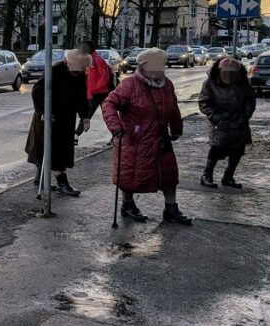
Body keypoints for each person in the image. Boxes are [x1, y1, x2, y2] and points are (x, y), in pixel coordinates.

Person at [101, 47, 191, 224]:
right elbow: (109, 104)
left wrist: (176, 128)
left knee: (169, 174)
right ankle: (128, 205)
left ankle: (171, 208)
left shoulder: (167, 84)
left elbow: (172, 108)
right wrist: (116, 128)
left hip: (161, 137)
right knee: (130, 175)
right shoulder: (130, 84)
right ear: (144, 66)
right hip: (134, 139)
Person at [25, 48, 90, 197]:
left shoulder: (79, 74)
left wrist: (85, 116)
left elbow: (81, 96)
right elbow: (37, 91)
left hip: (66, 118)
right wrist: (43, 112)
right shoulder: (55, 70)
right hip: (49, 117)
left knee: (52, 150)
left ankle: (39, 180)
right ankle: (63, 183)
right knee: (52, 151)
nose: (82, 71)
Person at [198, 57, 256, 189]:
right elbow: (204, 102)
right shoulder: (211, 83)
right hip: (220, 121)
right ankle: (206, 175)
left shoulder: (243, 82)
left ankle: (228, 176)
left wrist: (245, 116)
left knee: (238, 149)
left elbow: (250, 100)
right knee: (217, 147)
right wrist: (217, 117)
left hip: (240, 120)